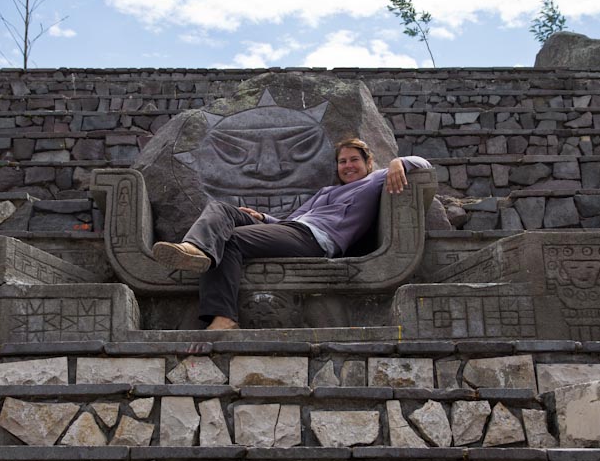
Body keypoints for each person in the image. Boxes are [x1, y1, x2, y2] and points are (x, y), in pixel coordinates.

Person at [152, 138, 432, 330]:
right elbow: (293, 219)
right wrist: (262, 218)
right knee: (222, 210)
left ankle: (224, 318)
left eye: (353, 160)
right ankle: (194, 249)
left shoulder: (376, 179)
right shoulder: (327, 191)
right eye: (342, 161)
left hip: (316, 240)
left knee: (232, 240)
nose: (347, 166)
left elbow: (423, 163)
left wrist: (398, 162)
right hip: (293, 230)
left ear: (368, 162)